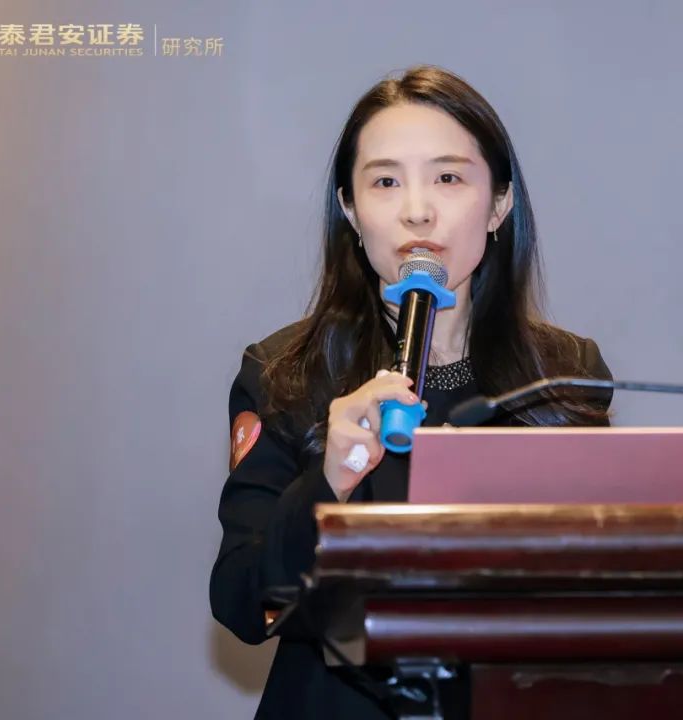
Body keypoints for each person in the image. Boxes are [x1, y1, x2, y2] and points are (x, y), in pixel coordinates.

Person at [210, 65, 612, 719]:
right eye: (386, 181)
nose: (417, 209)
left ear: (499, 205)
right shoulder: (286, 372)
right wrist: (327, 481)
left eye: (448, 178)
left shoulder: (564, 373)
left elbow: (602, 588)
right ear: (350, 209)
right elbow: (241, 601)